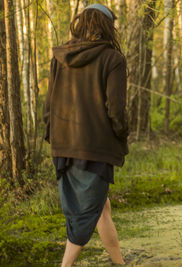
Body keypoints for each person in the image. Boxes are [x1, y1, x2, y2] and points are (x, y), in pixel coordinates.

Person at [43, 4, 128, 266]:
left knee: (101, 208)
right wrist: (121, 135)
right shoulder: (113, 59)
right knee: (84, 217)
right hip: (94, 148)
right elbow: (116, 110)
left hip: (63, 146)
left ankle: (119, 263)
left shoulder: (59, 56)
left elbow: (49, 107)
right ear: (107, 27)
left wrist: (55, 138)